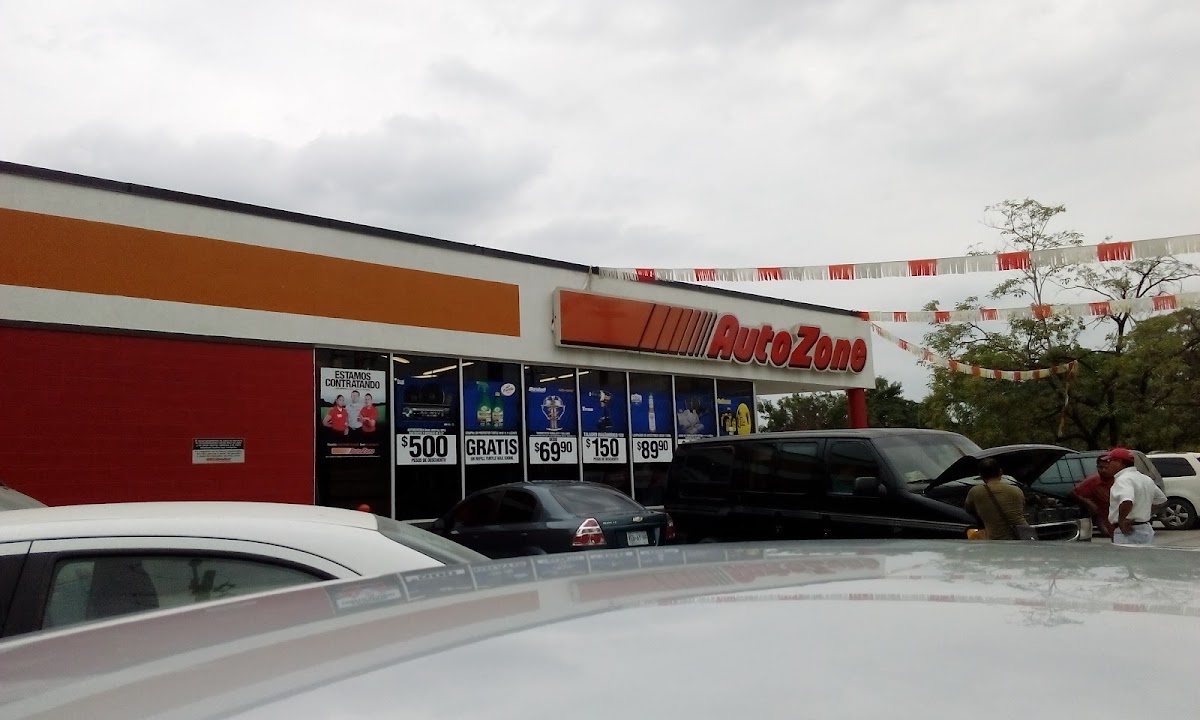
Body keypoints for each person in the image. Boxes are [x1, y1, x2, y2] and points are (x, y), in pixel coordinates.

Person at [1107, 447, 1167, 546]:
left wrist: (1121, 521)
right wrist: (1145, 513)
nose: (1108, 465)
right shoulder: (1145, 478)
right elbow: (1161, 499)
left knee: (1124, 556)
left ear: (1119, 462)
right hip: (1145, 528)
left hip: (1128, 531)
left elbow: (1127, 501)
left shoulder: (1123, 479)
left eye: (1110, 461)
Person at [964, 458, 1031, 540]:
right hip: (1023, 537)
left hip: (997, 541)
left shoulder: (975, 492)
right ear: (1000, 472)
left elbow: (968, 509)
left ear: (980, 475)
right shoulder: (1016, 490)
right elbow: (1022, 509)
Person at [1071, 453, 1117, 537]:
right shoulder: (1093, 481)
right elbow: (1074, 493)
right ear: (1097, 467)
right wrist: (1089, 504)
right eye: (1100, 467)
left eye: (1107, 467)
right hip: (1107, 521)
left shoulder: (1121, 479)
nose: (1103, 470)